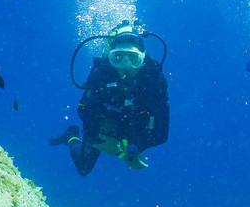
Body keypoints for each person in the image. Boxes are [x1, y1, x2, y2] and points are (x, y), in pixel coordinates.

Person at [50, 23, 170, 176]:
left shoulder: (155, 80)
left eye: (133, 58)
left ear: (143, 57)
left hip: (133, 128)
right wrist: (109, 136)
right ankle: (71, 135)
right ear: (111, 56)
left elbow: (161, 133)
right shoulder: (102, 73)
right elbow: (83, 110)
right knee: (83, 168)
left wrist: (126, 149)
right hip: (103, 125)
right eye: (118, 57)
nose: (126, 66)